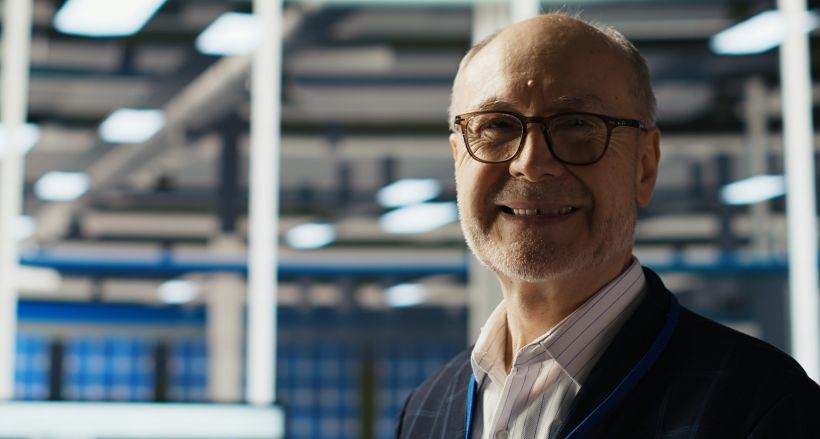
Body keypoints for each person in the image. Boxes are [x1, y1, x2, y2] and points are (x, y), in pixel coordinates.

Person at [395, 12, 820, 439]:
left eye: (577, 125)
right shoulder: (426, 410)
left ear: (644, 165)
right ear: (458, 160)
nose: (532, 163)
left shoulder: (762, 406)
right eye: (497, 126)